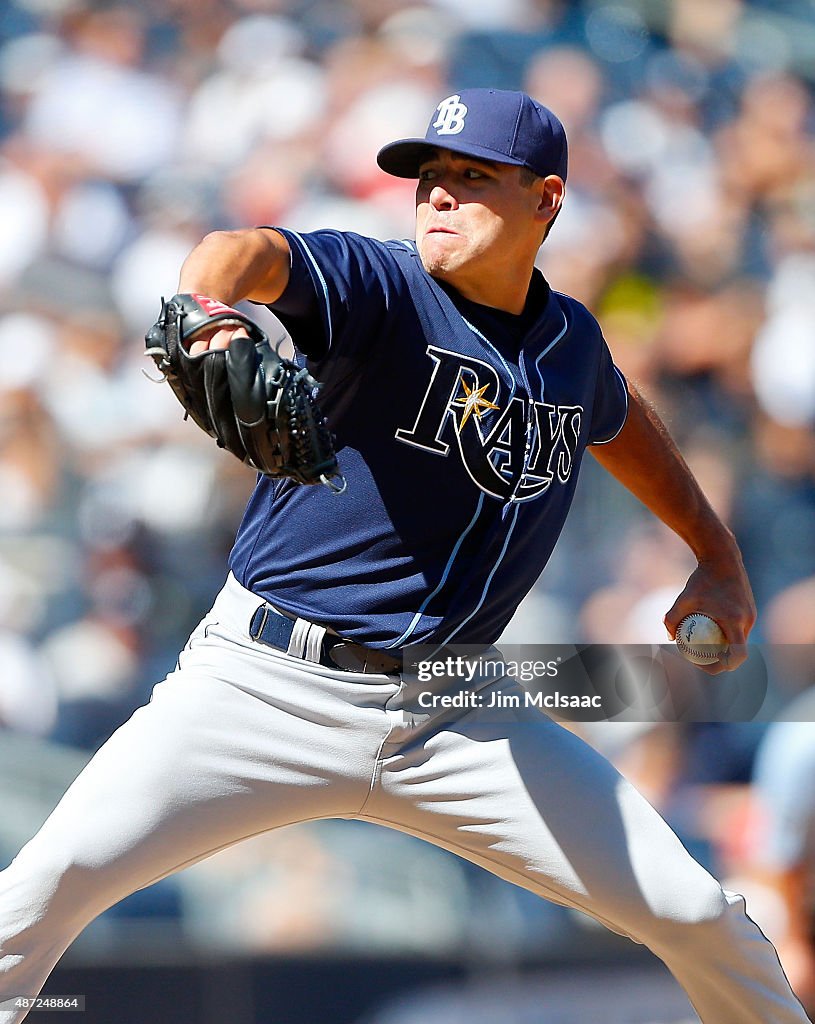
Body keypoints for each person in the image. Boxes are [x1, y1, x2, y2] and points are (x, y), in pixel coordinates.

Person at [0, 88, 808, 1023]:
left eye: (472, 177)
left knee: (698, 915)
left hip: (455, 712)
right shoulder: (379, 286)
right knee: (34, 900)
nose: (439, 196)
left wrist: (714, 550)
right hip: (265, 688)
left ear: (545, 200)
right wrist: (207, 307)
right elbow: (250, 252)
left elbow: (619, 424)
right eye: (429, 177)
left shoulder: (569, 345)